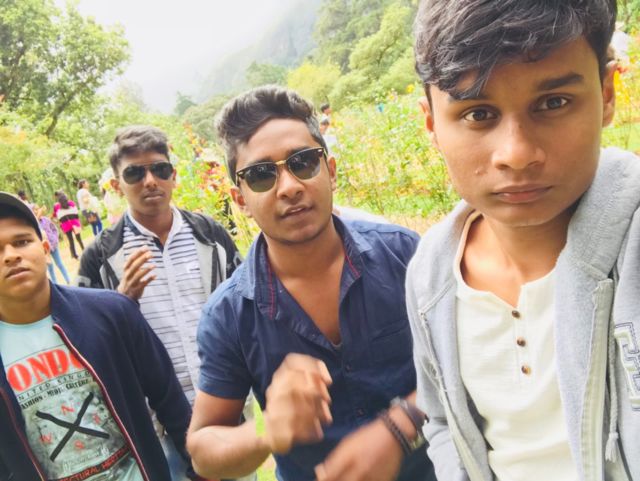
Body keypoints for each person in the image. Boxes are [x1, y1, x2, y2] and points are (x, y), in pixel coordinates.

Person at [407, 1, 639, 480]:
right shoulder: (430, 275)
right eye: (478, 113)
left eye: (553, 103)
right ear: (431, 124)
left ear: (606, 94)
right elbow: (443, 421)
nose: (516, 154)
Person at [187, 86, 435, 481]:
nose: (289, 187)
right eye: (262, 174)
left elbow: (466, 365)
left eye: (302, 162)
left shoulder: (403, 255)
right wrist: (267, 430)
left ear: (330, 171)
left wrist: (399, 428)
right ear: (240, 199)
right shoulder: (229, 315)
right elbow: (204, 450)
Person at [76, 125, 245, 481]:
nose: (150, 181)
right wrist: (120, 305)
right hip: (155, 426)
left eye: (159, 169)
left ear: (174, 175)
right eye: (135, 173)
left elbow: (244, 311)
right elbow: (86, 347)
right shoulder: (101, 258)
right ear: (117, 185)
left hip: (225, 410)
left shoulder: (211, 236)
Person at [0, 191, 194, 481]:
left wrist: (202, 470)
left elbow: (169, 398)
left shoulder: (112, 313)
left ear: (45, 248)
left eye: (21, 242)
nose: (11, 255)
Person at [35, 205, 71, 284]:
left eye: (37, 209)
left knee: (59, 264)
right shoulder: (34, 224)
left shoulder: (46, 220)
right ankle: (55, 284)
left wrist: (55, 238)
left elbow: (54, 229)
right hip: (44, 249)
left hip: (53, 245)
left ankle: (68, 280)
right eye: (34, 210)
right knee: (50, 267)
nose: (36, 211)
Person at [53, 190, 84, 260]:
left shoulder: (56, 206)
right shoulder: (71, 203)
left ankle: (75, 255)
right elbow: (76, 212)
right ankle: (83, 250)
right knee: (79, 238)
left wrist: (58, 221)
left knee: (71, 240)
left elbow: (56, 216)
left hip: (65, 225)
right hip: (74, 222)